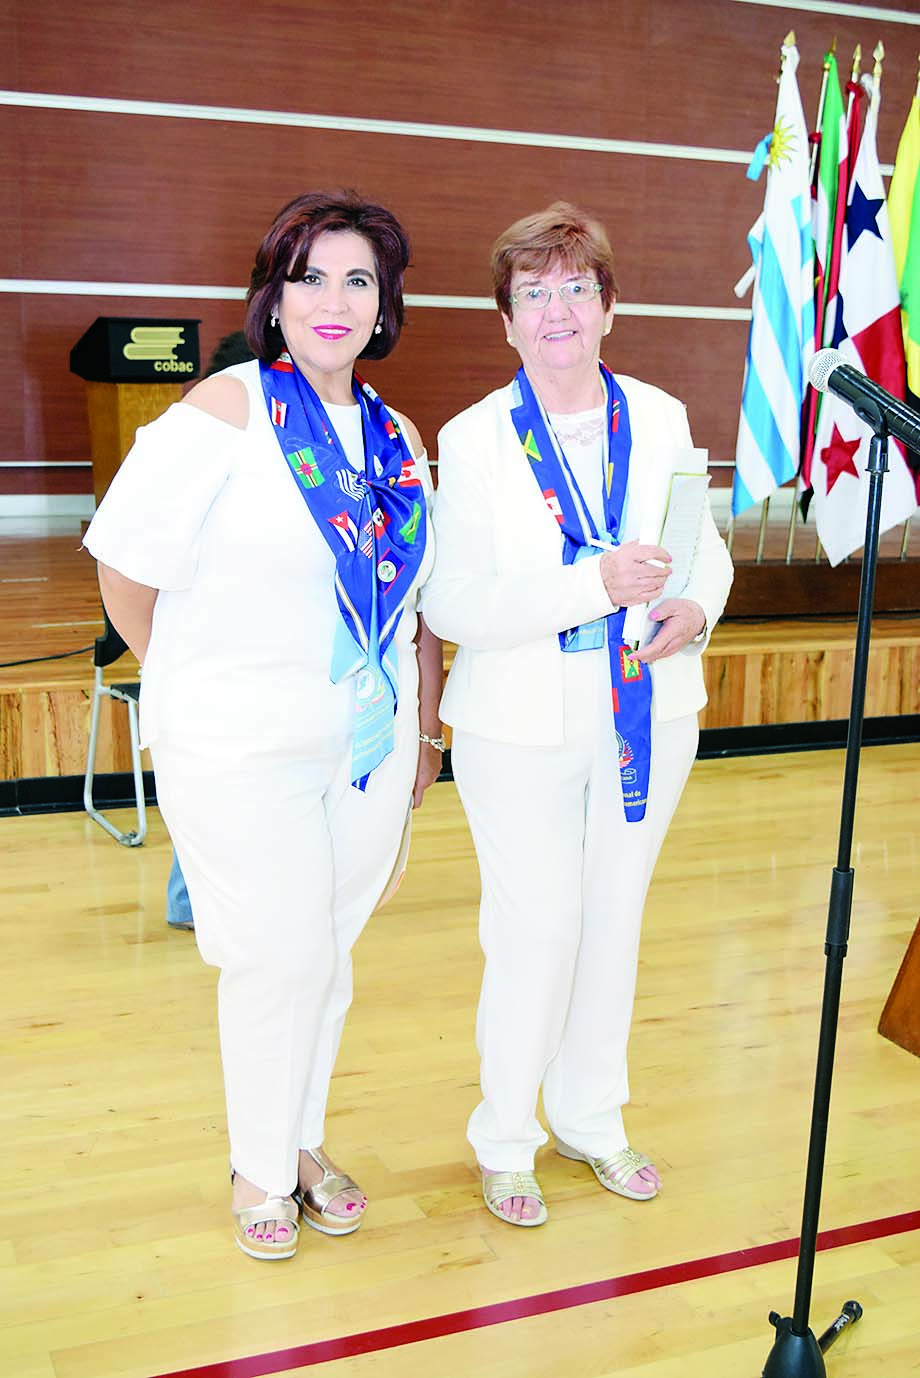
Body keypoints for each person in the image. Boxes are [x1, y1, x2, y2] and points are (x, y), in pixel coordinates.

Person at [83, 190, 443, 1259]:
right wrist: (193, 686)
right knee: (274, 956)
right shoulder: (222, 411)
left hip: (367, 749)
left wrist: (420, 732)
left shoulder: (396, 433)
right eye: (310, 276)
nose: (333, 300)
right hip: (241, 744)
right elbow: (124, 567)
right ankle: (254, 1163)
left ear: (383, 308)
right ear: (272, 298)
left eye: (358, 280)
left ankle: (299, 1141)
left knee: (323, 953)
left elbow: (408, 603)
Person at [422, 202, 733, 1227]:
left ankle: (591, 1117)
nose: (554, 309)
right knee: (537, 927)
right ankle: (505, 1135)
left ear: (608, 307)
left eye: (573, 288)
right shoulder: (470, 441)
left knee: (613, 920)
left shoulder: (657, 414)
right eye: (531, 293)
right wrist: (590, 583)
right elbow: (454, 603)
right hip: (519, 724)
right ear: (505, 322)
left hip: (650, 709)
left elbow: (701, 542)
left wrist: (694, 606)